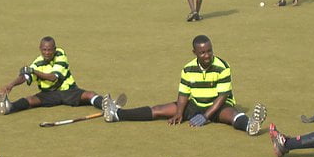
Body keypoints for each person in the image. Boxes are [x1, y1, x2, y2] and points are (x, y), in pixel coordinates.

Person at [102, 34, 267, 136]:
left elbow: (222, 96)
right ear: (195, 53)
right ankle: (117, 114)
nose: (207, 55)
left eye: (209, 51)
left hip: (218, 106)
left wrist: (205, 116)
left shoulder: (222, 66)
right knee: (160, 109)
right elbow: (183, 95)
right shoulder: (188, 68)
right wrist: (180, 113)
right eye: (202, 52)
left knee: (232, 116)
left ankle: (250, 125)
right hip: (194, 105)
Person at [0, 37, 106, 116]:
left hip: (68, 91)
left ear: (55, 49)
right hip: (49, 95)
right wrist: (10, 85)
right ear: (40, 49)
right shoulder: (37, 63)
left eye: (50, 49)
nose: (47, 52)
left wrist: (33, 71)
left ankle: (107, 107)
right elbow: (24, 77)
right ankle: (9, 107)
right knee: (30, 100)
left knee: (89, 95)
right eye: (44, 49)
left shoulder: (60, 54)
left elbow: (53, 77)